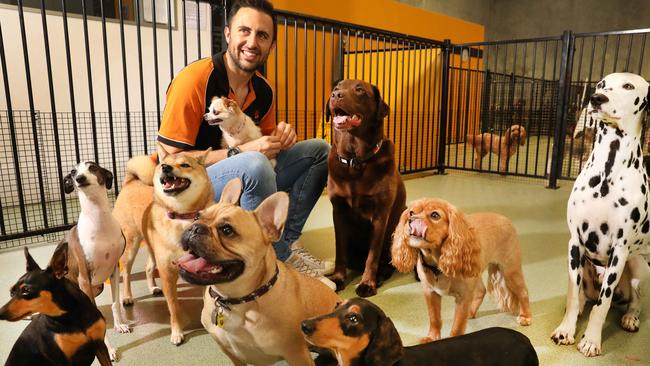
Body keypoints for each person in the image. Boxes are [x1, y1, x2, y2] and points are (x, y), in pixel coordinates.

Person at [157, 0, 334, 289]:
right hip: (190, 185)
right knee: (253, 163)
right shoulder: (194, 80)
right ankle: (274, 261)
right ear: (228, 34)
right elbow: (169, 161)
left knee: (319, 150)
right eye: (244, 31)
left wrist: (282, 137)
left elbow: (266, 149)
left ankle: (285, 245)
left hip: (244, 171)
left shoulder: (263, 89)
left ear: (271, 46)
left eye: (262, 35)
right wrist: (238, 152)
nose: (252, 42)